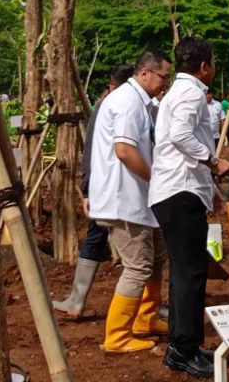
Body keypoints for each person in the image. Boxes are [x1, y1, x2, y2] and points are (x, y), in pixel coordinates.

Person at [149, 37, 229, 378]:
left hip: (179, 189)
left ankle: (180, 348)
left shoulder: (178, 92)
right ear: (204, 66)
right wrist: (214, 162)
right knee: (190, 271)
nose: (213, 69)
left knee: (185, 269)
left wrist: (208, 185)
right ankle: (185, 349)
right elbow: (181, 135)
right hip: (179, 191)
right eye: (212, 63)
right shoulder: (191, 92)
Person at [89, 51, 172, 354]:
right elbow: (124, 150)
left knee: (156, 258)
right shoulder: (126, 102)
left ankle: (145, 318)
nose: (165, 83)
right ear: (145, 72)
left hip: (140, 197)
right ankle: (117, 334)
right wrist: (157, 179)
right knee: (138, 266)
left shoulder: (139, 101)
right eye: (163, 76)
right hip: (123, 197)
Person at [54, 63, 135, 319]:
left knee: (102, 239)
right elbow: (91, 149)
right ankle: (78, 300)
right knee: (138, 251)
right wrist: (87, 188)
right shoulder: (115, 105)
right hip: (114, 187)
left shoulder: (118, 104)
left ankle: (78, 300)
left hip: (111, 187)